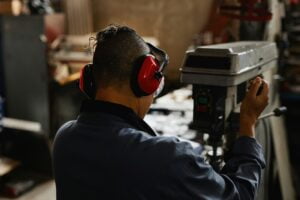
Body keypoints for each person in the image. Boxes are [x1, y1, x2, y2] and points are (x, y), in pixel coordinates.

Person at [53, 25, 268, 200]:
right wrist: (247, 124)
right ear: (146, 80)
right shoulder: (167, 157)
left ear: (89, 80)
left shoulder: (64, 139)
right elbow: (240, 195)